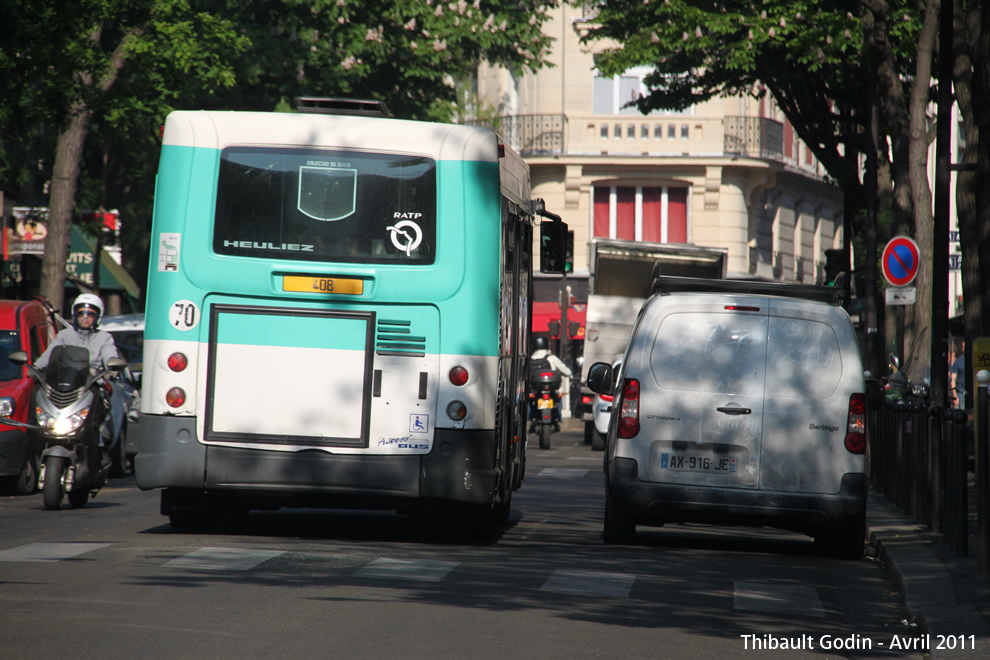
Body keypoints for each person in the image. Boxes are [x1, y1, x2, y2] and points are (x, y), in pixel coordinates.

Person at [35, 293, 120, 374]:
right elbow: (49, 354)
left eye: (90, 315)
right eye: (80, 314)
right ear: (74, 314)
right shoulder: (64, 335)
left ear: (98, 316)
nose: (85, 318)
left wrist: (112, 369)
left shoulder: (104, 337)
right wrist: (37, 367)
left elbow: (110, 355)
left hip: (94, 382)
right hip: (65, 381)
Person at [949, 340, 966, 409]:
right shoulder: (958, 362)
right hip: (961, 392)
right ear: (962, 349)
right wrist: (955, 395)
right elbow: (953, 380)